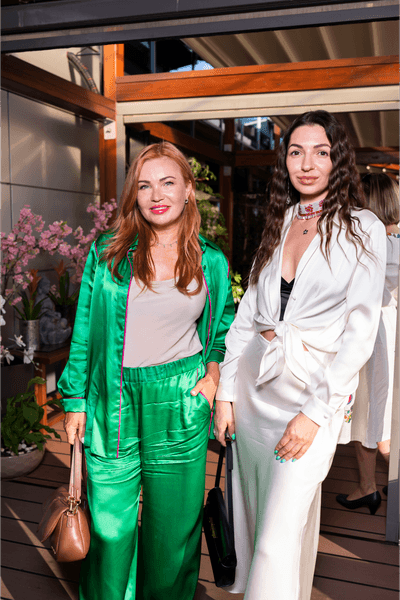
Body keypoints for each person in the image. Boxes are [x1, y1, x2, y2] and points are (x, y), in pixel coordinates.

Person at [214, 110, 387, 600]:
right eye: (296, 152)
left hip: (313, 396)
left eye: (320, 152)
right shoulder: (282, 219)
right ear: (284, 161)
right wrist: (225, 393)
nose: (307, 164)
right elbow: (248, 315)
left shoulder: (364, 227)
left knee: (275, 539)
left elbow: (360, 334)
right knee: (260, 527)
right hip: (254, 393)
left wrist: (314, 414)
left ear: (338, 160)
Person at [57, 141, 235, 600]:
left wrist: (212, 379)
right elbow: (84, 331)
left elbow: (221, 329)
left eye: (168, 182)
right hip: (112, 400)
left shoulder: (211, 260)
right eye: (144, 185)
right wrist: (75, 400)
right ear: (133, 196)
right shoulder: (107, 253)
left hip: (180, 399)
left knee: (173, 532)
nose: (157, 194)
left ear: (189, 190)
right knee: (109, 529)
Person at [336, 173, 399, 514]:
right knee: (381, 410)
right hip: (390, 329)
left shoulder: (369, 242)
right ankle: (375, 486)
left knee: (367, 412)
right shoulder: (397, 242)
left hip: (368, 331)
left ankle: (369, 486)